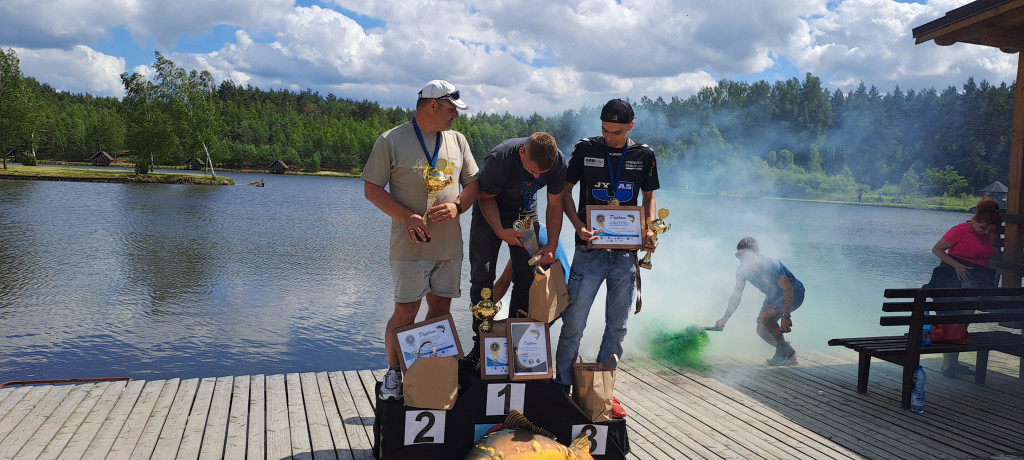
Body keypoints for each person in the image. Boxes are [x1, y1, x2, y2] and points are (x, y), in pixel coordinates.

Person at [362, 79, 479, 400]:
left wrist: (457, 206)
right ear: (433, 105)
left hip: (449, 246)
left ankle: (426, 373)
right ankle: (394, 374)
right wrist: (407, 217)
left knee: (440, 310)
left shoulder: (458, 140)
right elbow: (371, 189)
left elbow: (473, 185)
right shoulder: (391, 140)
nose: (455, 116)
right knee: (406, 310)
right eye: (452, 109)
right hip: (409, 245)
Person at [554, 99, 660, 418]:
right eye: (604, 130)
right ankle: (560, 388)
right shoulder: (585, 149)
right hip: (590, 251)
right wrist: (578, 226)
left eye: (615, 132)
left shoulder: (644, 155)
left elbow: (650, 196)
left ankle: (602, 390)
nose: (609, 136)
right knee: (574, 322)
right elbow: (564, 192)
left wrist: (650, 231)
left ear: (631, 125)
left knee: (617, 327)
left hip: (626, 254)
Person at [466, 132, 566, 365]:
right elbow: (485, 198)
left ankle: (517, 346)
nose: (537, 176)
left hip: (525, 215)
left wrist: (551, 244)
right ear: (522, 152)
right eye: (533, 171)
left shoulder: (558, 162)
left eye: (542, 173)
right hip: (490, 213)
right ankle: (480, 347)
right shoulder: (500, 159)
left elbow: (555, 204)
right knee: (483, 276)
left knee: (526, 277)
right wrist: (500, 231)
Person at [928, 199, 1002, 378]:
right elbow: (937, 249)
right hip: (955, 279)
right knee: (952, 320)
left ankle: (955, 362)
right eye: (983, 228)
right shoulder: (961, 230)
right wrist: (956, 266)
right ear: (975, 221)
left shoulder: (987, 235)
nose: (986, 232)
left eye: (990, 230)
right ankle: (947, 365)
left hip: (975, 281)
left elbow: (985, 255)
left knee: (964, 321)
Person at [715, 237, 806, 366]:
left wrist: (786, 315)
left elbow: (788, 289)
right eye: (738, 256)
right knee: (761, 329)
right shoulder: (742, 271)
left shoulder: (771, 265)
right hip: (773, 296)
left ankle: (784, 350)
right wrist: (725, 318)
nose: (742, 260)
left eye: (745, 256)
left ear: (756, 253)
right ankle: (787, 352)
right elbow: (736, 295)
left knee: (765, 316)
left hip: (794, 293)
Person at [491, 221, 571, 303]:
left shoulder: (524, 237)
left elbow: (503, 283)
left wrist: (486, 308)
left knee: (522, 288)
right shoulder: (538, 225)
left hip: (554, 298)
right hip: (568, 289)